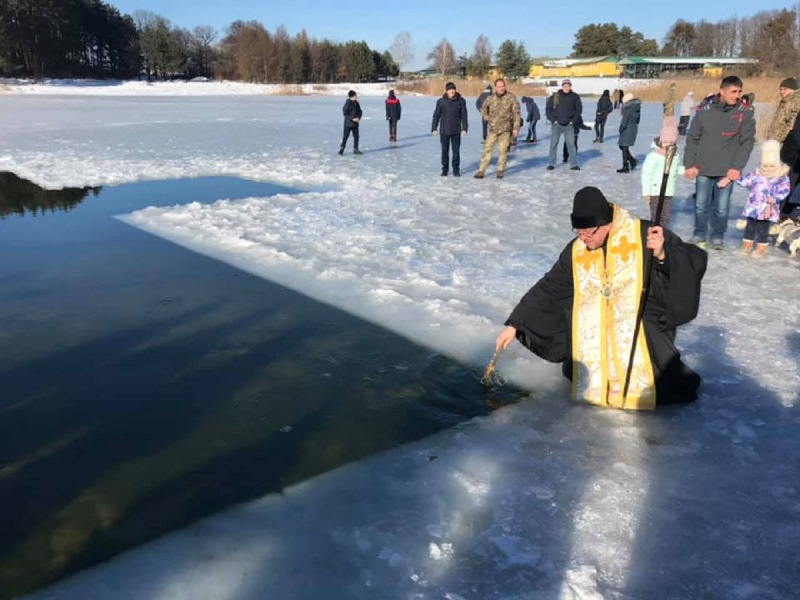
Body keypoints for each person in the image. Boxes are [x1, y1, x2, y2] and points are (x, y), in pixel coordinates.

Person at [494, 186, 708, 410]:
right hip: (597, 321)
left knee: (657, 364)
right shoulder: (577, 249)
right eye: (578, 232)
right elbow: (551, 286)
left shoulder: (644, 233)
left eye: (589, 233)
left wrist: (663, 255)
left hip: (640, 318)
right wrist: (516, 323)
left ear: (607, 223)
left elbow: (692, 260)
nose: (584, 239)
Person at [684, 75, 756, 250]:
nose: (737, 95)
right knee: (701, 204)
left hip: (727, 169)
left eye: (739, 91)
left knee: (722, 207)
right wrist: (690, 164)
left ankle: (717, 235)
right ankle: (699, 233)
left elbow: (747, 142)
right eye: (733, 91)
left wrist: (737, 167)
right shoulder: (705, 111)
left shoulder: (744, 112)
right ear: (722, 91)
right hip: (703, 166)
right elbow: (693, 138)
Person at [734, 140, 791, 257]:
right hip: (753, 208)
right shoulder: (757, 174)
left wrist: (775, 198)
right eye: (766, 165)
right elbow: (746, 181)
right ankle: (746, 247)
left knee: (763, 230)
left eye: (771, 166)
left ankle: (760, 248)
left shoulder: (781, 177)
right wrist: (736, 178)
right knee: (750, 228)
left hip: (768, 210)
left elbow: (785, 190)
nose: (768, 168)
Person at [641, 117, 684, 226]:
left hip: (668, 192)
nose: (668, 145)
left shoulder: (675, 155)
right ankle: (653, 236)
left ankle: (663, 236)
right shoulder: (654, 156)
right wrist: (647, 192)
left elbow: (675, 169)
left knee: (666, 217)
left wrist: (686, 171)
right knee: (656, 217)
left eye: (671, 142)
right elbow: (646, 174)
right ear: (660, 141)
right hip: (656, 192)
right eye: (665, 142)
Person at [766, 78, 800, 219]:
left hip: (791, 146)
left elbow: (790, 125)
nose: (782, 92)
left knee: (786, 181)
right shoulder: (787, 101)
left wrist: (777, 139)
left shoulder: (793, 101)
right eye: (780, 89)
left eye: (785, 89)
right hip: (788, 145)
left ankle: (782, 213)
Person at [475, 78, 520, 179]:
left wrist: (516, 128)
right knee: (487, 150)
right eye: (499, 86)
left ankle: (500, 170)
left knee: (503, 151)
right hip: (493, 129)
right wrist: (487, 117)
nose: (501, 88)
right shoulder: (490, 98)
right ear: (495, 87)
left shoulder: (511, 97)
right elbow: (483, 108)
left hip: (506, 129)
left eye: (503, 86)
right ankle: (481, 170)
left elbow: (516, 113)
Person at [431, 81, 468, 177]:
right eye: (450, 90)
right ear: (446, 91)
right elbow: (436, 115)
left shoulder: (461, 101)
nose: (452, 92)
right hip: (444, 130)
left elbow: (464, 116)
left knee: (456, 151)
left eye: (453, 90)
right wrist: (434, 128)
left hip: (456, 131)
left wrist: (465, 128)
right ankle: (445, 169)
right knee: (444, 151)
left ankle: (456, 170)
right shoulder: (441, 101)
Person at [545, 79, 582, 171]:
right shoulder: (556, 96)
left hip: (569, 124)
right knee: (553, 144)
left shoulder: (575, 97)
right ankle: (551, 163)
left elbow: (578, 110)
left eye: (568, 86)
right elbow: (548, 108)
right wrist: (553, 120)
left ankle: (573, 164)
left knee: (571, 144)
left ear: (570, 87)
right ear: (562, 86)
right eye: (565, 86)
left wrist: (573, 121)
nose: (566, 88)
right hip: (556, 124)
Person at [617, 91, 641, 173]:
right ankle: (632, 160)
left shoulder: (628, 109)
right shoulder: (637, 108)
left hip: (627, 129)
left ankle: (625, 166)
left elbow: (624, 121)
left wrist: (620, 129)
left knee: (623, 147)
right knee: (623, 147)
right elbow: (638, 120)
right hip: (633, 129)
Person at [339, 90, 362, 155]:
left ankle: (356, 149)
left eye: (356, 96)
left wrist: (358, 118)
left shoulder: (357, 103)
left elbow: (360, 111)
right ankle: (342, 148)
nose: (356, 97)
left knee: (356, 137)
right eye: (355, 96)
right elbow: (345, 113)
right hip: (348, 124)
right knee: (345, 136)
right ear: (351, 97)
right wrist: (352, 119)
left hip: (355, 124)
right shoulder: (348, 103)